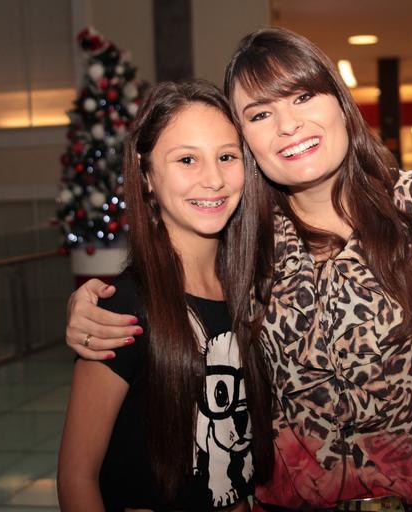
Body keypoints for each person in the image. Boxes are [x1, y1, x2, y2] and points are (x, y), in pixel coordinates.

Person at [64, 28, 412, 512]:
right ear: (246, 141)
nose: (288, 125)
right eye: (260, 114)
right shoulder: (248, 238)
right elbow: (178, 286)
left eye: (303, 96)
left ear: (340, 101)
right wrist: (88, 307)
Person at [57, 81, 273, 511]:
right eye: (187, 159)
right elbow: (76, 477)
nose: (213, 179)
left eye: (227, 157)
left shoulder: (251, 291)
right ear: (146, 176)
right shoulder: (125, 308)